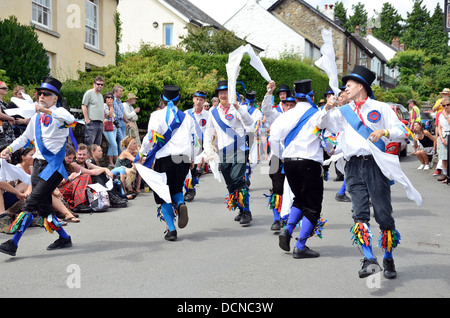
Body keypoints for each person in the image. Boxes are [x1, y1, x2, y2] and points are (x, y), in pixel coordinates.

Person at [322, 65, 407, 279]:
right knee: (359, 213)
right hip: (352, 166)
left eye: (349, 85)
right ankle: (369, 259)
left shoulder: (381, 107)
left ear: (361, 86)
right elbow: (325, 126)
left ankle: (388, 257)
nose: (345, 89)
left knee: (383, 214)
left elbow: (402, 131)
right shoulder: (344, 111)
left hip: (376, 164)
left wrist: (385, 131)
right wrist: (327, 108)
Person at [0, 77, 76, 257]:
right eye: (39, 93)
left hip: (53, 167)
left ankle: (14, 243)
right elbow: (25, 138)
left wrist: (46, 111)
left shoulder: (60, 114)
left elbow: (71, 119)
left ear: (55, 98)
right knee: (43, 208)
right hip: (38, 165)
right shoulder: (36, 118)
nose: (41, 96)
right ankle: (64, 238)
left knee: (31, 203)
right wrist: (9, 149)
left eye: (46, 94)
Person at [270, 79, 327, 259]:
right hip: (309, 162)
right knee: (312, 205)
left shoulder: (285, 116)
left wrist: (281, 157)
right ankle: (300, 245)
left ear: (295, 97)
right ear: (310, 96)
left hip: (289, 162)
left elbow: (273, 139)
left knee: (299, 199)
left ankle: (287, 231)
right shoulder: (316, 114)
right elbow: (328, 136)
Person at [138, 85, 195, 241]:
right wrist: (192, 159)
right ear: (178, 100)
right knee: (176, 188)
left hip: (166, 158)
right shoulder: (188, 117)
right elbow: (193, 141)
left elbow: (151, 136)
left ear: (162, 99)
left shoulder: (156, 115)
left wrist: (142, 153)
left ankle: (171, 230)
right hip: (183, 157)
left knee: (162, 194)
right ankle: (180, 203)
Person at [203, 80, 254, 225]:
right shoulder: (213, 112)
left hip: (238, 148)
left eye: (226, 92)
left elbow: (249, 123)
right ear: (218, 95)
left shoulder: (236, 108)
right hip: (223, 151)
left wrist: (238, 107)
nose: (223, 95)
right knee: (230, 183)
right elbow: (208, 133)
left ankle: (246, 211)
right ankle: (240, 208)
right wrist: (207, 149)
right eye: (221, 93)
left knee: (238, 179)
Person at [261, 81, 297, 230]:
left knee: (294, 188)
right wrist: (269, 92)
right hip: (277, 157)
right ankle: (277, 219)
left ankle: (290, 217)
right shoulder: (277, 114)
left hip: (294, 157)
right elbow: (266, 110)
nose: (288, 107)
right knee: (277, 187)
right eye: (286, 105)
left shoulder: (300, 117)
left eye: (291, 104)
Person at [183, 90, 209, 202]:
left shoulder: (208, 115)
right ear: (193, 99)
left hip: (201, 145)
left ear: (204, 101)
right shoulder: (186, 113)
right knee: (185, 167)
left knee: (194, 169)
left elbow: (211, 131)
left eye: (201, 100)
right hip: (188, 144)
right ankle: (189, 189)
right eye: (197, 99)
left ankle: (191, 186)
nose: (198, 102)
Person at [58, 145, 93, 213]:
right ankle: (79, 203)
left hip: (67, 188)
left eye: (72, 158)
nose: (70, 160)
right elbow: (54, 184)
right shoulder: (58, 165)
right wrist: (68, 178)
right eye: (69, 158)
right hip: (58, 190)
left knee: (86, 176)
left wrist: (105, 169)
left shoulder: (68, 165)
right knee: (83, 177)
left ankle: (81, 202)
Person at [82, 76, 105, 146]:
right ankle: (88, 157)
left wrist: (103, 120)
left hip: (100, 123)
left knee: (97, 145)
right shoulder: (89, 93)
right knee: (89, 144)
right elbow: (84, 105)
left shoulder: (101, 96)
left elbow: (101, 108)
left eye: (102, 84)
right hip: (92, 122)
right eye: (98, 84)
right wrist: (87, 119)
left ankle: (95, 157)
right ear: (94, 84)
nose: (100, 86)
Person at [102, 92, 119, 168]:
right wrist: (111, 107)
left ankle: (111, 162)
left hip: (113, 127)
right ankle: (118, 160)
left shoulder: (111, 106)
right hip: (107, 127)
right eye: (108, 97)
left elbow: (114, 117)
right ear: (105, 98)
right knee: (114, 144)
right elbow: (109, 115)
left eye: (111, 97)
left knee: (112, 145)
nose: (110, 99)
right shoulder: (104, 105)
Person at [0, 81, 17, 152]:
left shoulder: (3, 102)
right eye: (3, 88)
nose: (6, 89)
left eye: (6, 88)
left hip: (7, 130)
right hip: (3, 132)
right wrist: (11, 118)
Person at [436, 97, 450, 183]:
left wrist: (447, 116)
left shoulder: (445, 115)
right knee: (444, 157)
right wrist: (441, 138)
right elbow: (439, 127)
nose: (446, 107)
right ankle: (445, 174)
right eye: (444, 105)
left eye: (448, 105)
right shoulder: (441, 114)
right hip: (444, 136)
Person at [112, 85, 130, 153]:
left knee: (124, 141)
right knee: (121, 140)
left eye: (122, 91)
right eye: (120, 91)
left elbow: (122, 113)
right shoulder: (112, 100)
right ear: (115, 92)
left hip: (122, 122)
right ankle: (121, 157)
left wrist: (127, 122)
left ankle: (122, 155)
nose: (122, 92)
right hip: (115, 122)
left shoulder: (119, 101)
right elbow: (118, 113)